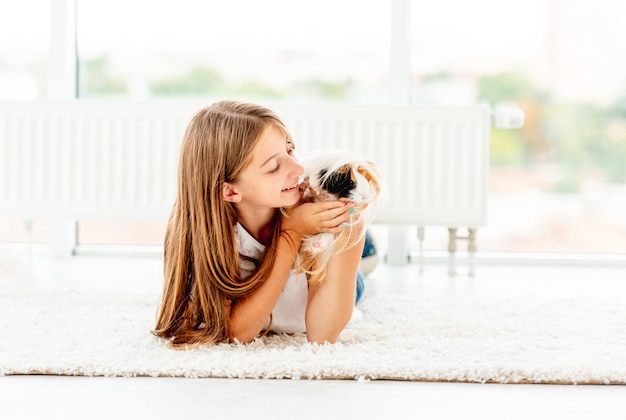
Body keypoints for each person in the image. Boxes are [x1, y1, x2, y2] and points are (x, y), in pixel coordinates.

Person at [153, 100, 366, 348]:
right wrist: (291, 233)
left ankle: (368, 253)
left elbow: (322, 335)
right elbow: (236, 334)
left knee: (358, 283)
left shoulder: (310, 207)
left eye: (290, 149)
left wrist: (353, 227)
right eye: (274, 167)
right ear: (230, 192)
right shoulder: (207, 237)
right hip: (287, 255)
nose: (298, 168)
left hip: (327, 284)